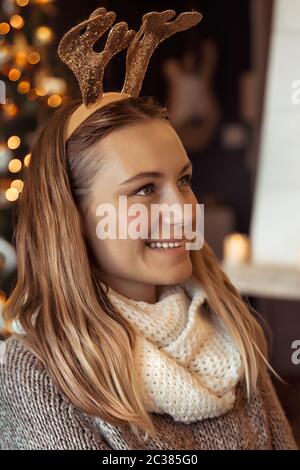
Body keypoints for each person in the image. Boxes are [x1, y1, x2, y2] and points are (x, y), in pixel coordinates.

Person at [0, 7, 298, 450]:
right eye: (143, 190)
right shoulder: (38, 371)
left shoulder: (229, 328)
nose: (182, 211)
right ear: (73, 218)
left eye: (183, 180)